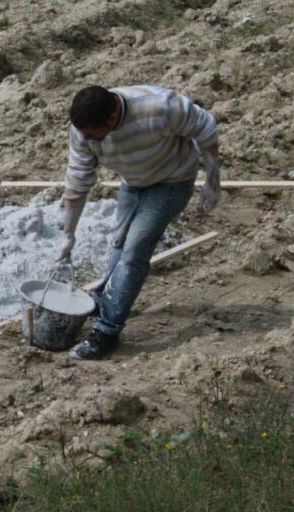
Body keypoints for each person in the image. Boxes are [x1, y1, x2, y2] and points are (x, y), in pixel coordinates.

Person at [58, 84, 220, 360]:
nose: (88, 141)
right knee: (119, 243)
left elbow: (206, 128)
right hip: (133, 181)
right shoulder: (83, 132)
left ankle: (107, 331)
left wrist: (212, 182)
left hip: (173, 179)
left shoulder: (161, 108)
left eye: (93, 135)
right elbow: (77, 183)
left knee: (135, 250)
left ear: (111, 119)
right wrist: (68, 236)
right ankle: (107, 300)